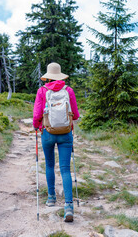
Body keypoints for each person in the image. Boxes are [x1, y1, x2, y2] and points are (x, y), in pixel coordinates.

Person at [33, 62, 80, 222]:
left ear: (48, 77)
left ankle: (51, 198)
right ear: (60, 76)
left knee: (49, 165)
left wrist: (36, 126)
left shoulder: (42, 90)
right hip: (66, 133)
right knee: (65, 169)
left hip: (48, 132)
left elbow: (37, 114)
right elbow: (76, 115)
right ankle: (68, 207)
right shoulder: (69, 90)